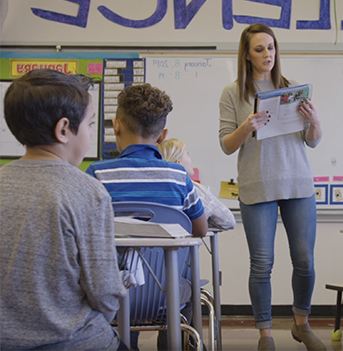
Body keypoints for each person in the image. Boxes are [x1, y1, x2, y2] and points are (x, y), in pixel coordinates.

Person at [0, 69, 127, 351]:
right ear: (63, 130)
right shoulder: (88, 191)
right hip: (74, 341)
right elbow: (105, 294)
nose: (92, 133)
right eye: (91, 124)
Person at [218, 23, 324, 351]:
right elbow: (226, 145)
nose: (268, 54)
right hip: (257, 185)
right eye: (260, 49)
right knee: (262, 263)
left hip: (298, 184)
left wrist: (315, 122)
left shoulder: (292, 88)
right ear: (247, 55)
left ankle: (301, 324)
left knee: (305, 260)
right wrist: (246, 126)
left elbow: (312, 142)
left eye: (271, 47)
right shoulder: (233, 93)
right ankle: (265, 334)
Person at [86, 83, 208, 351]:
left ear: (116, 126)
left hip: (110, 295)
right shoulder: (178, 177)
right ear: (163, 135)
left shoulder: (96, 174)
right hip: (165, 298)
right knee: (188, 291)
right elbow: (199, 230)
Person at [158, 138, 236, 231]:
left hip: (151, 242)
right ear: (178, 163)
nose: (191, 159)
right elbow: (228, 221)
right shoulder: (196, 189)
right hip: (186, 243)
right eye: (187, 154)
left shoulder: (151, 187)